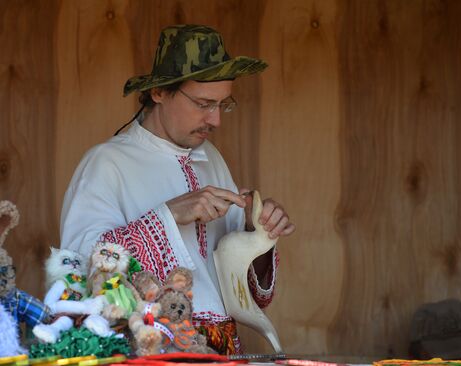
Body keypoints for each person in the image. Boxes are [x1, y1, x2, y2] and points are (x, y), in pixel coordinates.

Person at [59, 25, 295, 354]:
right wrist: (170, 215)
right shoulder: (106, 164)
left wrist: (257, 233)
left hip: (223, 352)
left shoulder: (211, 158)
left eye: (223, 104)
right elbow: (80, 273)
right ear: (159, 92)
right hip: (148, 353)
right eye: (202, 103)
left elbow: (237, 285)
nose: (215, 120)